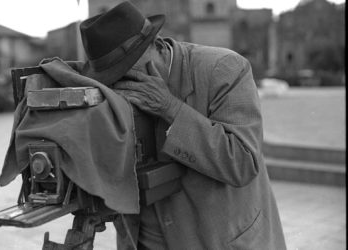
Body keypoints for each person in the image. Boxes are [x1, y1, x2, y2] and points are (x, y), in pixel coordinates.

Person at [78, 1, 287, 249]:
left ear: (157, 46)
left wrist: (170, 108)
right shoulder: (108, 90)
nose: (126, 86)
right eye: (114, 80)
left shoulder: (224, 70)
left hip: (218, 239)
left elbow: (242, 162)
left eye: (131, 73)